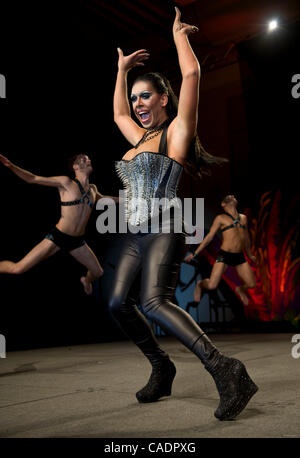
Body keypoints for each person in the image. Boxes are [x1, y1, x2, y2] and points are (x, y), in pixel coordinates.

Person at [109, 7, 258, 421]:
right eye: (135, 96)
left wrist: (179, 38)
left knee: (155, 301)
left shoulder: (176, 130)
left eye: (145, 95)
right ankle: (162, 365)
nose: (138, 103)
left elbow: (191, 77)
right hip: (134, 232)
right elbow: (118, 114)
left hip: (164, 227)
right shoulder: (136, 136)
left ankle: (226, 369)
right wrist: (121, 72)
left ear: (162, 98)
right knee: (117, 302)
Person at [0, 153, 117, 295]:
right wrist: (11, 166)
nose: (89, 160)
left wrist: (130, 199)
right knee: (17, 269)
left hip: (77, 241)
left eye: (88, 159)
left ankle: (86, 280)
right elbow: (33, 178)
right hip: (58, 236)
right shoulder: (66, 183)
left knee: (98, 272)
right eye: (84, 159)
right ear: (75, 166)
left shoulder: (93, 190)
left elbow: (106, 199)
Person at [186, 194, 256, 306]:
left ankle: (240, 289)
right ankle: (200, 285)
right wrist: (195, 253)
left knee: (251, 284)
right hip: (224, 255)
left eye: (233, 196)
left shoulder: (243, 218)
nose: (233, 196)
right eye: (229, 197)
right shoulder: (221, 218)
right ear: (224, 204)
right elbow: (209, 237)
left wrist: (249, 254)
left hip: (238, 255)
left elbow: (246, 237)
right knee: (212, 285)